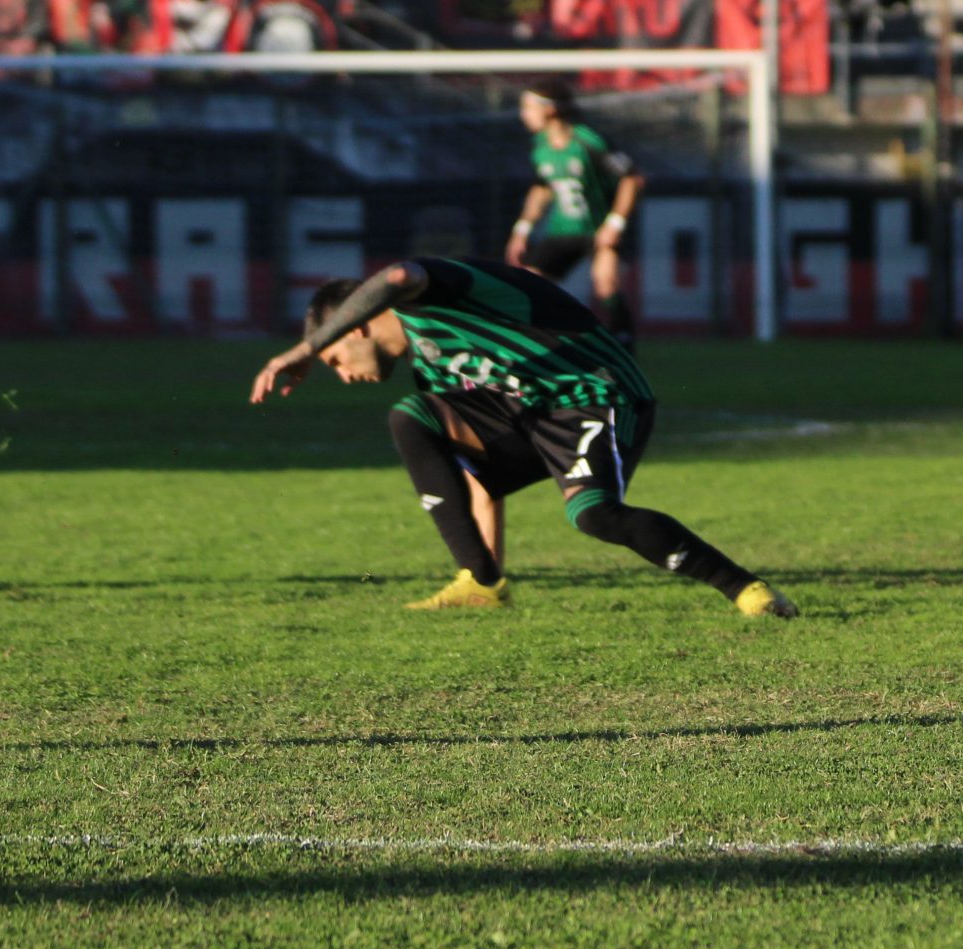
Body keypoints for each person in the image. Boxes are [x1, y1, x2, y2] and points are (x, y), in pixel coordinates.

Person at [249, 256, 795, 618]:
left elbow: (393, 277)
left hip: (593, 391)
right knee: (412, 416)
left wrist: (299, 349)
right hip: (533, 413)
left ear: (357, 326)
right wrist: (488, 572)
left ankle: (746, 589)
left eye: (335, 358)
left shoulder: (428, 294)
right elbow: (476, 481)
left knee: (595, 516)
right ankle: (481, 580)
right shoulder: (433, 369)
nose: (342, 374)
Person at [505, 89, 642, 344]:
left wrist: (615, 223)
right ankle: (546, 343)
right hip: (563, 230)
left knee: (606, 282)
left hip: (598, 228)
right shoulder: (540, 145)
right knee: (531, 282)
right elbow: (542, 187)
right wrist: (522, 229)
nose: (524, 115)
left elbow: (632, 178)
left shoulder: (587, 140)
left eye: (528, 107)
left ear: (550, 109)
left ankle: (623, 344)